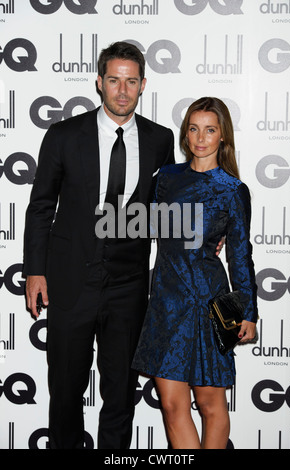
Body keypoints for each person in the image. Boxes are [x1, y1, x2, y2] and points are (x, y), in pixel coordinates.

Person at [23, 41, 175, 449]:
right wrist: (35, 272)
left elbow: (163, 208)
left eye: (130, 82)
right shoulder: (63, 136)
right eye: (113, 80)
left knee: (122, 392)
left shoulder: (161, 140)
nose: (122, 91)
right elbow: (41, 208)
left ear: (143, 85)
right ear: (99, 82)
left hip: (128, 284)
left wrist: (203, 239)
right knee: (66, 390)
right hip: (70, 280)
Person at [132, 97, 258, 449]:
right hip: (167, 301)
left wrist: (248, 311)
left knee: (209, 404)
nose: (201, 138)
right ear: (185, 135)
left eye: (210, 130)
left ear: (222, 137)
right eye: (193, 129)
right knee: (172, 405)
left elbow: (241, 255)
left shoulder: (234, 190)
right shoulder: (166, 178)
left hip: (212, 302)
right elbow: (145, 226)